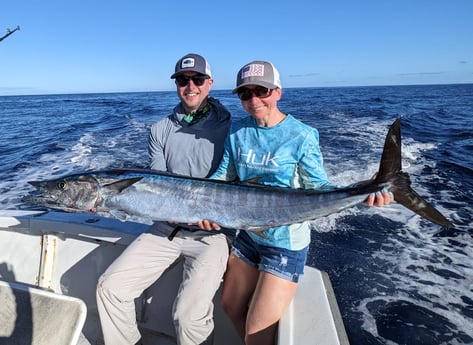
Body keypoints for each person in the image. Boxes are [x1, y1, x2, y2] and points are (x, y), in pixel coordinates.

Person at [198, 60, 394, 345]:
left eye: (261, 91)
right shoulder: (237, 130)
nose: (254, 100)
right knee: (230, 306)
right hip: (247, 235)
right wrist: (204, 207)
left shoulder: (301, 135)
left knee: (256, 330)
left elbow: (319, 187)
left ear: (278, 92)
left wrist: (362, 191)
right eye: (245, 94)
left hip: (284, 243)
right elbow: (222, 177)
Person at [96, 53, 232, 345]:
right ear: (176, 85)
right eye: (183, 80)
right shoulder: (159, 130)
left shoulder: (233, 129)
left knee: (187, 316)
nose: (190, 86)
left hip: (214, 233)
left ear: (210, 83)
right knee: (110, 288)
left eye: (197, 79)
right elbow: (159, 189)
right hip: (165, 229)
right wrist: (114, 203)